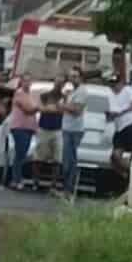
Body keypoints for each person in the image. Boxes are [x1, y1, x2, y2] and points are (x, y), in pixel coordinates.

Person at [108, 72, 132, 177]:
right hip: (120, 128)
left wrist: (120, 112)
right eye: (112, 84)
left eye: (116, 83)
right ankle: (130, 172)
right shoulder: (111, 95)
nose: (114, 86)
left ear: (121, 83)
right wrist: (112, 115)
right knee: (115, 156)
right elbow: (112, 112)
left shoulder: (128, 90)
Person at [61, 66, 88, 199]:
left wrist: (63, 105)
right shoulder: (71, 91)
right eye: (71, 76)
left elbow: (77, 110)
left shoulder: (82, 91)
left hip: (75, 130)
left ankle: (69, 189)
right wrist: (65, 100)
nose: (72, 78)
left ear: (81, 77)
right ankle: (66, 188)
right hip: (66, 128)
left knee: (70, 161)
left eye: (75, 76)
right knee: (66, 160)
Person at [8, 74, 38, 190]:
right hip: (19, 127)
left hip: (28, 128)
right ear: (21, 82)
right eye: (25, 81)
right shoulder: (19, 93)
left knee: (22, 154)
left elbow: (33, 112)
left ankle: (17, 179)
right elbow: (28, 110)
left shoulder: (30, 94)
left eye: (29, 81)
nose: (27, 83)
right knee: (20, 153)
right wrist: (41, 107)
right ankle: (16, 179)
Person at [33, 82, 64, 191]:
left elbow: (64, 110)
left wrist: (52, 108)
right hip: (44, 129)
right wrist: (54, 109)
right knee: (39, 158)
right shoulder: (45, 95)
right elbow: (39, 107)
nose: (59, 86)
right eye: (57, 83)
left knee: (57, 159)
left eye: (61, 84)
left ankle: (53, 184)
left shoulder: (64, 97)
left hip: (58, 130)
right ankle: (36, 182)